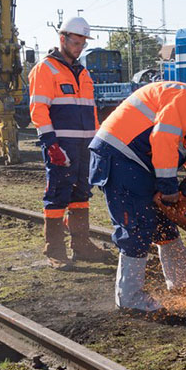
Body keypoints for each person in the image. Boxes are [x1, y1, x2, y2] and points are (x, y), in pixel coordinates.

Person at [89, 74, 186, 312]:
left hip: (134, 159)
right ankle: (129, 297)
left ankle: (181, 278)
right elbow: (163, 139)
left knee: (162, 220)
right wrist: (168, 188)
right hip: (120, 157)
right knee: (137, 225)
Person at [28, 17, 113, 270]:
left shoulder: (83, 72)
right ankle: (54, 250)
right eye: (76, 42)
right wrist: (51, 144)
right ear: (62, 39)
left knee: (81, 194)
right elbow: (38, 109)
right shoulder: (45, 69)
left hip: (85, 146)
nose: (79, 48)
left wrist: (98, 140)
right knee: (57, 195)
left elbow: (91, 110)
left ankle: (82, 245)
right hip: (61, 145)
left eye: (82, 44)